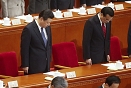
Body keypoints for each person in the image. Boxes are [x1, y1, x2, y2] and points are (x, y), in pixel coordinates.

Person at [21, 9, 54, 75]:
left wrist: (49, 58)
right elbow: (24, 48)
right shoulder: (29, 29)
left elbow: (49, 44)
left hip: (46, 64)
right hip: (34, 65)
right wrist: (25, 64)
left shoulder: (47, 28)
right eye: (47, 22)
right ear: (41, 19)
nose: (49, 24)